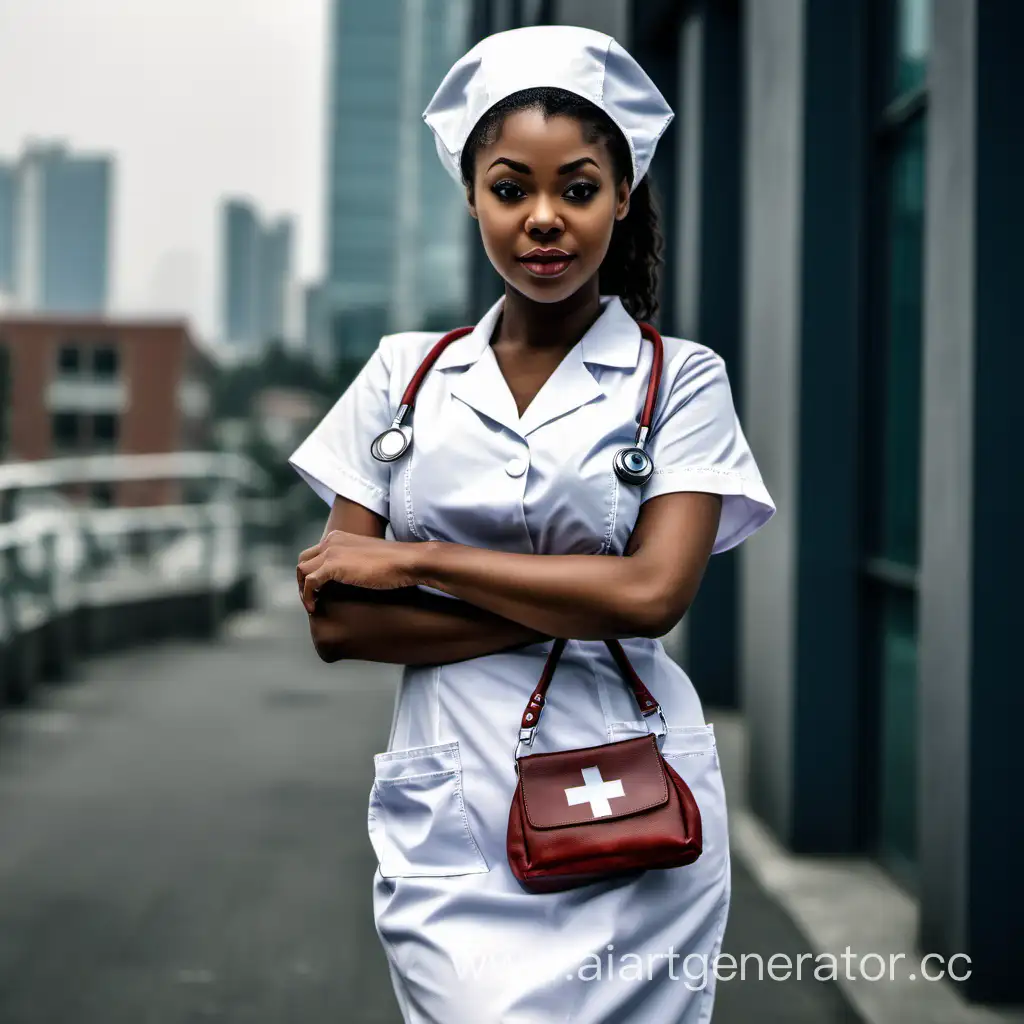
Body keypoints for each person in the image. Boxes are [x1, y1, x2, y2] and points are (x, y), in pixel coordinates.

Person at [289, 24, 775, 1024]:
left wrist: (414, 556)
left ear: (622, 196)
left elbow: (652, 597)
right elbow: (341, 622)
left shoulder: (680, 379)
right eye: (510, 189)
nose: (543, 219)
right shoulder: (401, 375)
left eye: (578, 188)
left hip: (636, 791)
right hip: (450, 803)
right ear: (471, 196)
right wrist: (574, 599)